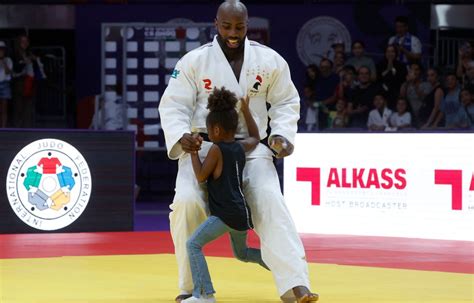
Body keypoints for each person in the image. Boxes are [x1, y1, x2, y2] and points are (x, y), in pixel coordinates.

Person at [158, 1, 318, 302]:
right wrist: (183, 137)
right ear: (216, 24)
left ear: (248, 25)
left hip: (251, 147)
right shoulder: (194, 61)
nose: (233, 33)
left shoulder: (269, 60)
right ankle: (192, 288)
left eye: (240, 27)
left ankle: (295, 284)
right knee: (186, 202)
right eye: (227, 26)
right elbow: (174, 105)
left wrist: (281, 135)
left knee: (270, 199)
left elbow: (285, 101)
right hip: (203, 146)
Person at [183, 88, 268, 303]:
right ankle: (280, 264)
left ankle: (204, 294)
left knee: (193, 245)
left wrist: (193, 153)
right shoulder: (240, 147)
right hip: (241, 215)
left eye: (209, 129)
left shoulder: (216, 150)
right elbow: (256, 138)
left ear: (217, 129)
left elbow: (202, 177)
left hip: (224, 215)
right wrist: (246, 110)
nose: (208, 134)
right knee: (243, 254)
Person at [376, 44, 407, 109]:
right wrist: (388, 70)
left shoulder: (401, 66)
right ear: (385, 53)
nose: (390, 54)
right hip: (382, 90)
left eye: (392, 51)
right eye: (388, 51)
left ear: (396, 53)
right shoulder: (380, 64)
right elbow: (378, 79)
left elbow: (402, 79)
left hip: (396, 90)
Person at [0, 41, 13, 128]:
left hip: (5, 84)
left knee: (4, 109)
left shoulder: (8, 60)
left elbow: (8, 72)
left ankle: (3, 129)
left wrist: (2, 60)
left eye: (2, 49)